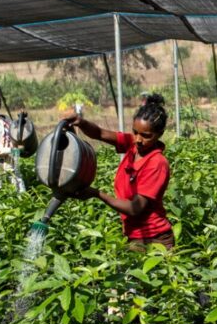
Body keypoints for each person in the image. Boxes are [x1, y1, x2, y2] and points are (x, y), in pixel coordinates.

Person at [66, 95, 174, 250]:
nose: (138, 139)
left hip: (154, 240)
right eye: (135, 132)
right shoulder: (133, 145)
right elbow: (100, 134)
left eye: (146, 136)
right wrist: (81, 122)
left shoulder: (157, 163)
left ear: (160, 134)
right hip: (134, 235)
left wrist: (97, 194)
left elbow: (134, 208)